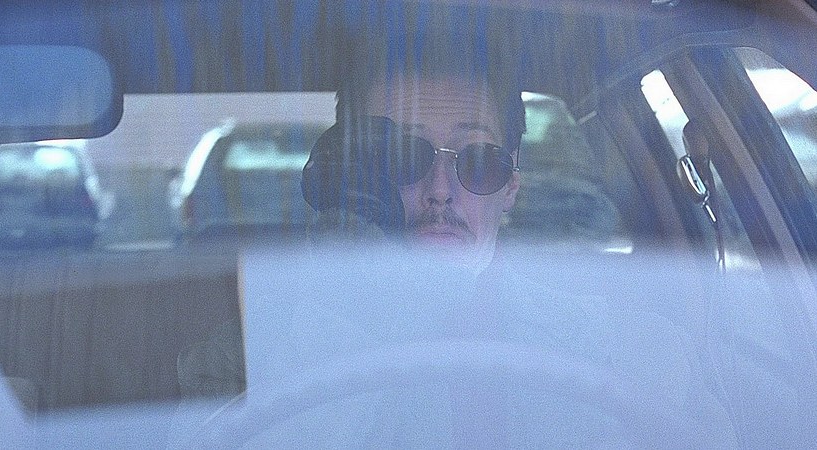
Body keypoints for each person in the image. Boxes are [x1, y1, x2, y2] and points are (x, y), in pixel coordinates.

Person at [176, 30, 738, 447]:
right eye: (404, 154)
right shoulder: (250, 344)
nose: (441, 190)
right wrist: (340, 293)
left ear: (511, 185)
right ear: (353, 168)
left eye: (479, 160)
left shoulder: (604, 342)